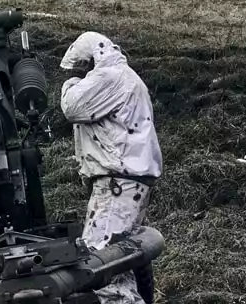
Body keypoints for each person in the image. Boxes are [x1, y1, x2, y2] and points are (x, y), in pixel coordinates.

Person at [59, 31, 163, 304]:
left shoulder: (109, 77)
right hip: (129, 184)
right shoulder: (127, 76)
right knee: (122, 263)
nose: (77, 73)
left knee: (102, 271)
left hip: (117, 187)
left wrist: (70, 80)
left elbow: (71, 106)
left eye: (78, 67)